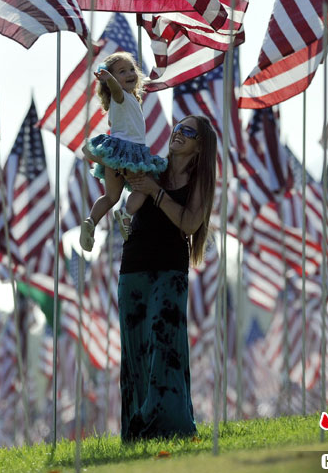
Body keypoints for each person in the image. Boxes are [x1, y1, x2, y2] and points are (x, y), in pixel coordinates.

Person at [117, 114, 217, 442]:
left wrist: (157, 194)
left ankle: (167, 424)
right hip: (133, 269)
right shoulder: (153, 167)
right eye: (178, 128)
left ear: (199, 146)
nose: (178, 134)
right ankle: (137, 431)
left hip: (170, 271)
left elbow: (189, 224)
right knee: (136, 351)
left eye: (188, 132)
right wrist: (136, 181)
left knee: (164, 342)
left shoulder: (199, 180)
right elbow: (131, 206)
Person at [79, 52, 167, 251]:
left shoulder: (126, 101)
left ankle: (91, 221)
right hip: (131, 151)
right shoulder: (121, 96)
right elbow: (116, 90)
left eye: (130, 69)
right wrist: (109, 79)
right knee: (142, 187)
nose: (129, 73)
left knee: (111, 196)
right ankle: (126, 214)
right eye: (121, 71)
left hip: (115, 153)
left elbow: (115, 121)